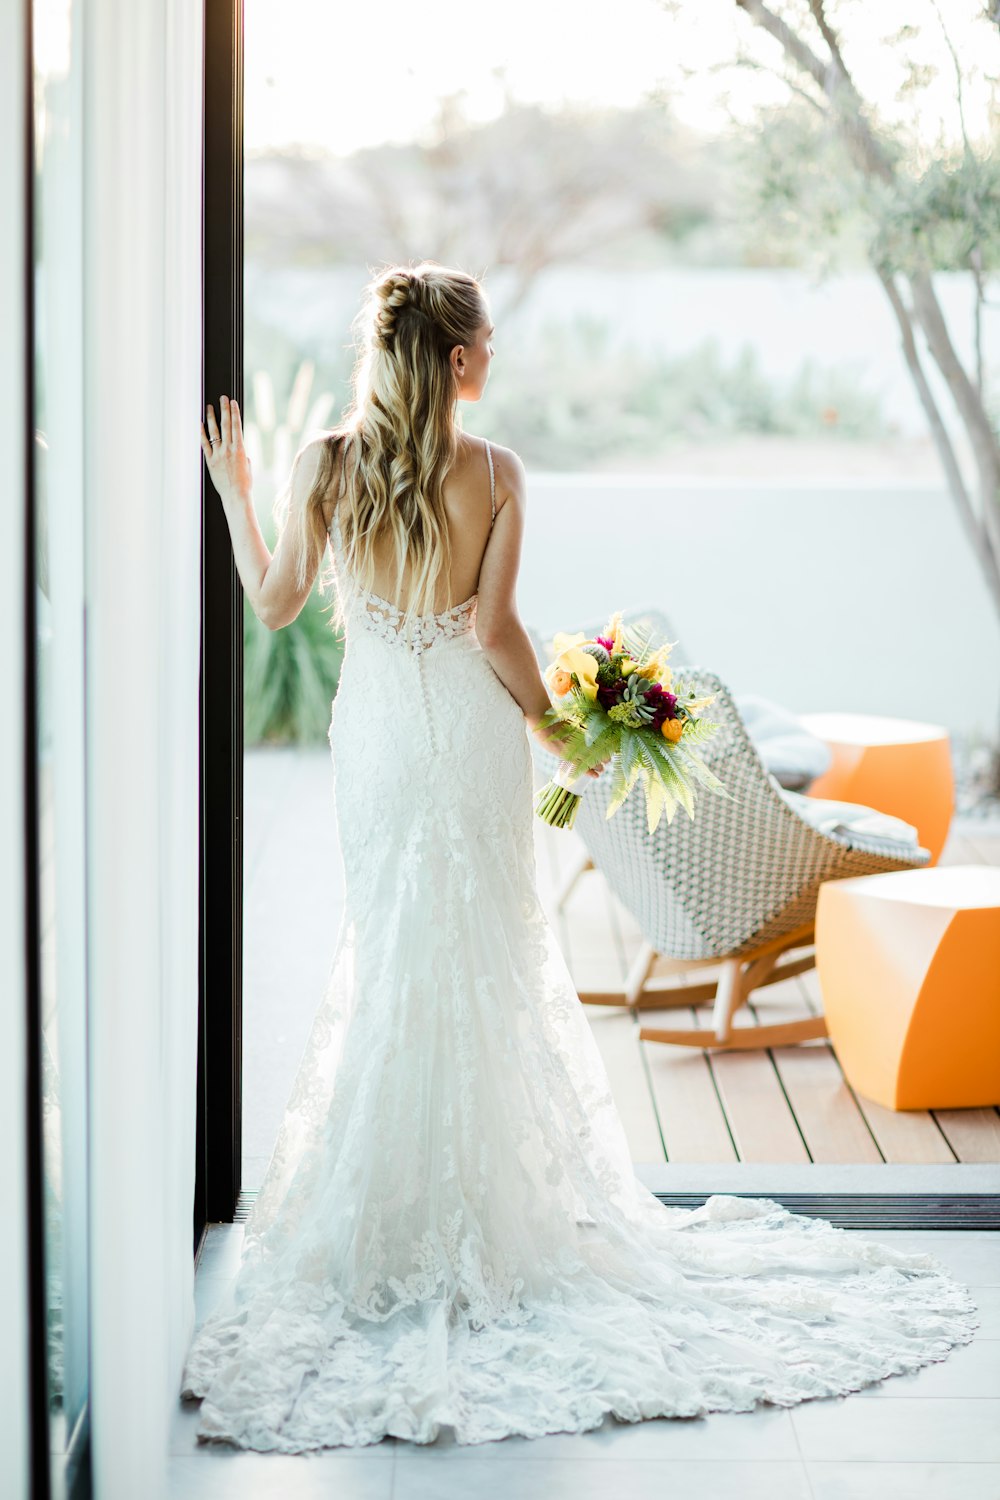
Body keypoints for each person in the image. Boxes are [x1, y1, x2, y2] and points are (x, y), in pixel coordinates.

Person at [182, 260, 977, 1454]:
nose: (493, 356)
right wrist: (569, 747)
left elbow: (278, 604)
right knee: (483, 953)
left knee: (397, 954)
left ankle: (390, 1224)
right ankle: (484, 1217)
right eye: (485, 341)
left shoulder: (325, 465)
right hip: (466, 738)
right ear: (454, 361)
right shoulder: (494, 473)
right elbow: (495, 632)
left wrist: (237, 495)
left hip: (380, 742)